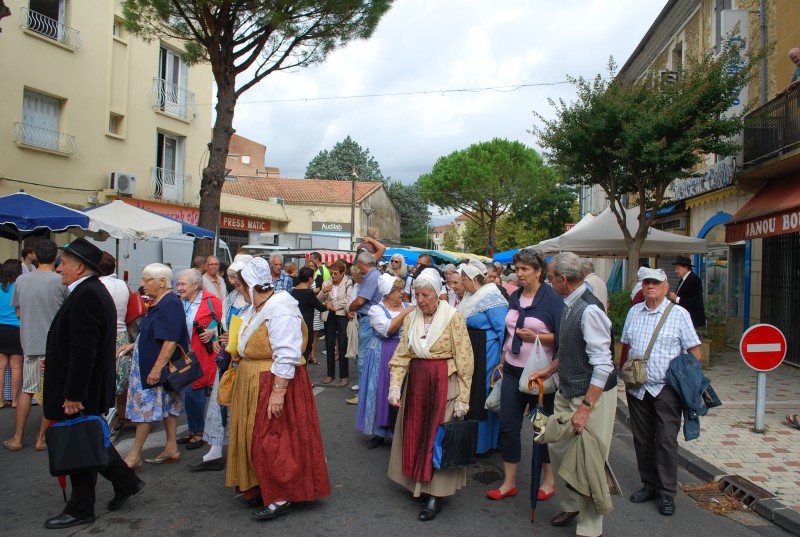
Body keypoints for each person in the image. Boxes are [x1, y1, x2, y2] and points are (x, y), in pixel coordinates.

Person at [42, 238, 144, 529]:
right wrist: (56, 359)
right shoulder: (89, 291)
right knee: (89, 438)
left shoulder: (87, 294)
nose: (58, 268)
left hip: (81, 389)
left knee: (80, 443)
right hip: (85, 384)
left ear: (80, 267)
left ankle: (81, 508)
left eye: (63, 263)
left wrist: (74, 393)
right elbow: (78, 344)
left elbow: (84, 350)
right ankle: (126, 482)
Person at [227, 257, 330, 520]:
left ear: (252, 286)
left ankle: (282, 494)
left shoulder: (281, 309)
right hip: (257, 379)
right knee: (256, 438)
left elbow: (287, 353)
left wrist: (278, 392)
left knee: (273, 440)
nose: (239, 292)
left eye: (241, 287)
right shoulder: (259, 307)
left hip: (273, 380)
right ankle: (265, 486)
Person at [528, 252, 617, 537]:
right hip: (568, 388)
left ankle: (590, 528)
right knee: (558, 448)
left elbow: (603, 365)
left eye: (551, 277)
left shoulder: (590, 310)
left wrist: (586, 407)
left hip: (590, 396)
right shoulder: (569, 302)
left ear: (563, 280)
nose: (549, 282)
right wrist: (549, 370)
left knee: (588, 460)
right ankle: (571, 505)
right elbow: (569, 348)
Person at [387, 268, 474, 521]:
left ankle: (435, 494)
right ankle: (419, 484)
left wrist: (464, 397)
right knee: (416, 433)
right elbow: (402, 355)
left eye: (426, 295)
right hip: (417, 382)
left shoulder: (453, 318)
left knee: (438, 437)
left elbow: (465, 358)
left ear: (438, 294)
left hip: (443, 381)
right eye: (417, 295)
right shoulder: (411, 318)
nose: (421, 300)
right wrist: (395, 386)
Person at [622, 268, 702, 517]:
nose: (650, 286)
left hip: (666, 388)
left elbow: (695, 352)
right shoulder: (634, 312)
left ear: (666, 287)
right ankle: (649, 485)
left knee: (666, 440)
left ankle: (667, 492)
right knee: (642, 439)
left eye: (655, 282)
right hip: (638, 388)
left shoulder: (679, 314)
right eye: (646, 282)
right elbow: (626, 346)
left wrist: (686, 381)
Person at [489, 249, 562, 503]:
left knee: (541, 428)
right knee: (509, 427)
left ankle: (548, 480)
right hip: (511, 370)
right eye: (517, 269)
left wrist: (537, 337)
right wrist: (502, 358)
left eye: (524, 269)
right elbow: (509, 331)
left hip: (539, 376)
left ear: (539, 271)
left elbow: (564, 337)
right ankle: (508, 482)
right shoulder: (515, 296)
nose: (519, 274)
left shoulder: (552, 299)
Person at [117, 263, 190, 470]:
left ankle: (134, 455)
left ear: (162, 282)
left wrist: (157, 369)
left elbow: (170, 339)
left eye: (147, 279)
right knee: (169, 407)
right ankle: (171, 448)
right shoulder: (161, 301)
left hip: (155, 367)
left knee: (145, 411)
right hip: (154, 364)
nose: (143, 284)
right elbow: (154, 333)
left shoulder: (170, 303)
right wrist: (135, 345)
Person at [191, 254, 252, 472]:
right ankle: (215, 451)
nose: (233, 281)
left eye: (237, 278)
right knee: (221, 401)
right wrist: (219, 338)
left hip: (245, 360)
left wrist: (235, 338)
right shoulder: (232, 298)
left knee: (241, 407)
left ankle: (241, 453)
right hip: (227, 358)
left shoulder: (256, 300)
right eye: (232, 277)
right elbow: (223, 324)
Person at [5, 241, 67, 451]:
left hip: (30, 343)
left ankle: (17, 438)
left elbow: (18, 312)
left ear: (35, 257)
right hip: (54, 346)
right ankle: (41, 439)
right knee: (51, 393)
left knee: (27, 390)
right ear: (56, 256)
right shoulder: (61, 281)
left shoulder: (22, 280)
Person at [357, 275, 413, 448]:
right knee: (380, 391)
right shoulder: (376, 310)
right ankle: (379, 432)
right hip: (382, 353)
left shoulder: (408, 306)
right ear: (387, 293)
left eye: (402, 289)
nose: (402, 293)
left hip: (404, 354)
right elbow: (387, 330)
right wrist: (406, 312)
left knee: (402, 392)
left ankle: (400, 432)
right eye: (397, 290)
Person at [458, 260, 507, 454]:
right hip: (475, 348)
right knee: (474, 393)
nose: (462, 283)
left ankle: (487, 442)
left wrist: (503, 361)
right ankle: (474, 441)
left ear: (474, 279)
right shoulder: (470, 297)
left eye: (464, 280)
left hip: (488, 351)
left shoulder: (491, 296)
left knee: (485, 393)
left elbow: (503, 330)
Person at [175, 269, 222, 450]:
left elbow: (226, 323)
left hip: (203, 355)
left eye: (183, 284)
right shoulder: (177, 301)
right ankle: (194, 429)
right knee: (188, 394)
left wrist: (212, 331)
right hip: (183, 354)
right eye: (178, 284)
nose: (179, 288)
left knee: (195, 392)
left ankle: (199, 432)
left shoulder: (211, 301)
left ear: (195, 285)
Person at [97, 252, 132, 443]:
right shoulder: (123, 285)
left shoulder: (98, 285)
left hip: (105, 335)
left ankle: (106, 425)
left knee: (104, 380)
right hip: (122, 334)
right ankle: (118, 417)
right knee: (119, 379)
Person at [349, 250, 386, 403]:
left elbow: (360, 301)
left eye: (358, 264)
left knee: (364, 358)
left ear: (363, 264)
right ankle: (368, 393)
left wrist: (350, 308)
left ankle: (364, 395)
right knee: (369, 357)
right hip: (369, 320)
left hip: (367, 320)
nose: (358, 268)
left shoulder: (372, 277)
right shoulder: (375, 275)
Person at [317, 260, 353, 386]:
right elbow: (318, 300)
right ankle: (330, 374)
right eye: (332, 273)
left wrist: (333, 305)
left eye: (336, 273)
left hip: (342, 315)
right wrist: (323, 292)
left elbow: (348, 299)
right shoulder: (327, 282)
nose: (333, 276)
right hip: (329, 315)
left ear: (342, 273)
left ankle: (344, 375)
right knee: (329, 344)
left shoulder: (348, 282)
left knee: (342, 345)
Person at [291, 267, 327, 365]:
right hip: (306, 325)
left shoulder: (294, 291)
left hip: (295, 325)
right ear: (310, 279)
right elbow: (321, 307)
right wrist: (329, 306)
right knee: (305, 351)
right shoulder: (308, 293)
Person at [0, 259, 23, 411]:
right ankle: (15, 400)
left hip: (0, 328)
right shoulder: (19, 288)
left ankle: (0, 400)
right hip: (16, 329)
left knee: (0, 368)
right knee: (16, 367)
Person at [668, 255, 705, 328]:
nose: (676, 271)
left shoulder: (694, 279)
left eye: (678, 268)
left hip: (691, 319)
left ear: (685, 267)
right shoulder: (683, 279)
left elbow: (695, 302)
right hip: (682, 318)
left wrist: (677, 298)